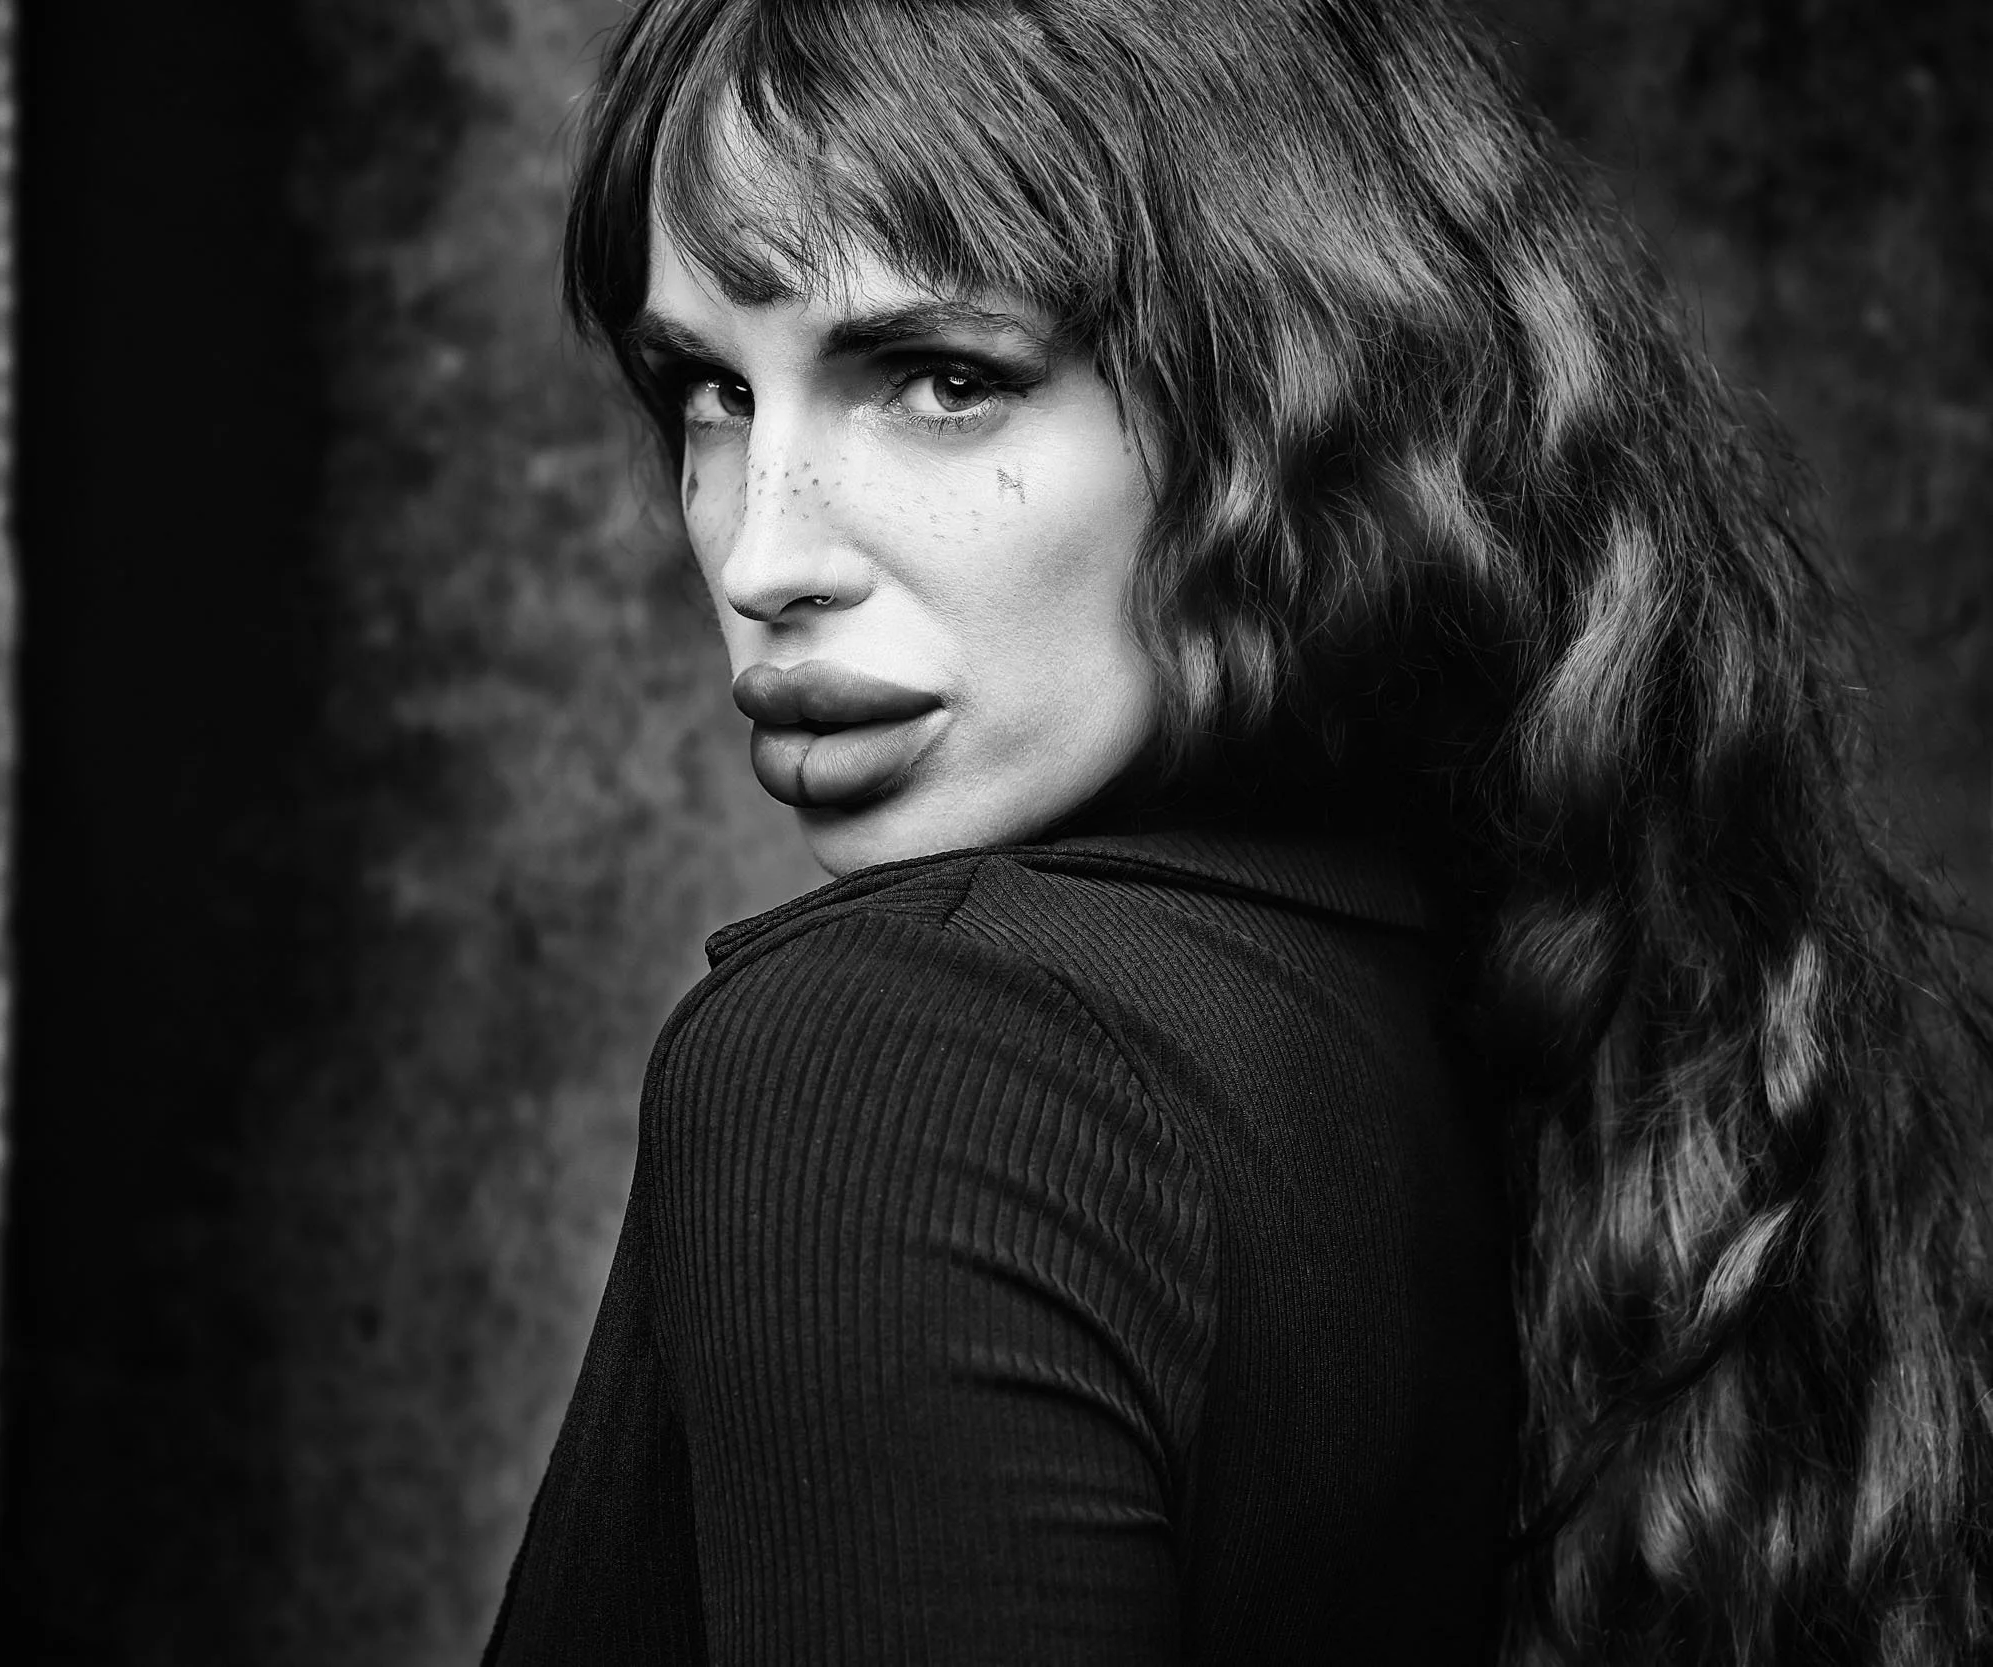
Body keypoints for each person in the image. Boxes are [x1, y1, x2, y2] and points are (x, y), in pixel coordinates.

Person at [484, 1, 1993, 1661]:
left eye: (941, 377)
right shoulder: (1519, 1034)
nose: (764, 556)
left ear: (1289, 397)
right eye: (707, 388)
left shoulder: (908, 1060)